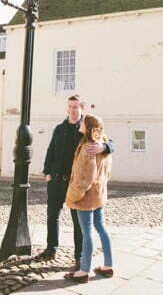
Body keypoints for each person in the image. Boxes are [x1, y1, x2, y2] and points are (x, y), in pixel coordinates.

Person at [39, 95, 114, 267]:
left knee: (78, 221)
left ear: (82, 109)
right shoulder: (59, 128)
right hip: (56, 181)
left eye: (75, 107)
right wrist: (47, 171)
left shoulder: (86, 128)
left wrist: (104, 147)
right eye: (70, 106)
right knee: (52, 215)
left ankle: (79, 256)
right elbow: (51, 150)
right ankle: (51, 248)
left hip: (74, 183)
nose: (72, 110)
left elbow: (109, 142)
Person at [64, 114, 114, 283]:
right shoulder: (102, 144)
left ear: (89, 127)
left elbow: (84, 179)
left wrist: (72, 195)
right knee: (101, 228)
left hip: (86, 197)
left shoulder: (88, 148)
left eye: (83, 122)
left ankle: (83, 271)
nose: (80, 123)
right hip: (99, 194)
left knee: (87, 232)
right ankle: (108, 265)